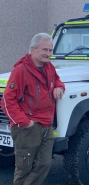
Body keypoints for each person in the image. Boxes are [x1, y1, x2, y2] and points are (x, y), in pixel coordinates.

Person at [0, 33, 65, 185]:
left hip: (46, 125)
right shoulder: (21, 71)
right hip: (28, 127)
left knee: (44, 164)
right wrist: (23, 122)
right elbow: (7, 100)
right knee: (24, 168)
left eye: (50, 50)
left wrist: (59, 87)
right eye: (44, 50)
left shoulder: (49, 67)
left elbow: (58, 80)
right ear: (32, 49)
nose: (48, 54)